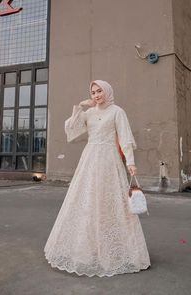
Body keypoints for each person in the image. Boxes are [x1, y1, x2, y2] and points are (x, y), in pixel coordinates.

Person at [44, 80, 151, 277]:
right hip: (90, 159)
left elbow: (125, 138)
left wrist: (131, 162)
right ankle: (88, 248)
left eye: (99, 91)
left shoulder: (117, 111)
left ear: (107, 91)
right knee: (87, 201)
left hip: (109, 160)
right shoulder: (90, 113)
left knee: (110, 202)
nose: (96, 95)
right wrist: (79, 107)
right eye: (93, 92)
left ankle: (117, 250)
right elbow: (72, 128)